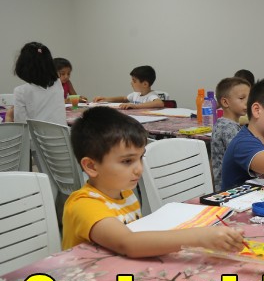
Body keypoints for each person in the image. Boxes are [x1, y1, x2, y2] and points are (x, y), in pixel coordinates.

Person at [62, 106, 246, 257]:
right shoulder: (84, 204)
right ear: (91, 166)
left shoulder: (124, 191)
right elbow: (128, 243)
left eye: (140, 158)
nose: (139, 169)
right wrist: (200, 237)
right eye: (127, 161)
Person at [6, 42, 66, 126]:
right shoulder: (57, 83)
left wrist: (8, 117)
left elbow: (21, 125)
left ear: (23, 66)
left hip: (35, 135)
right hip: (62, 133)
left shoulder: (20, 91)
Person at [211, 77, 252, 190]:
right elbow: (244, 155)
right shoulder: (228, 128)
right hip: (229, 189)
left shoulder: (225, 123)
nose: (248, 102)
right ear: (225, 102)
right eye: (242, 98)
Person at [93, 65, 164, 109]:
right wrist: (106, 99)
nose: (131, 83)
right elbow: (124, 98)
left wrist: (136, 106)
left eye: (134, 81)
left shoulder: (151, 95)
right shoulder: (136, 94)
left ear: (145, 84)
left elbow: (159, 103)